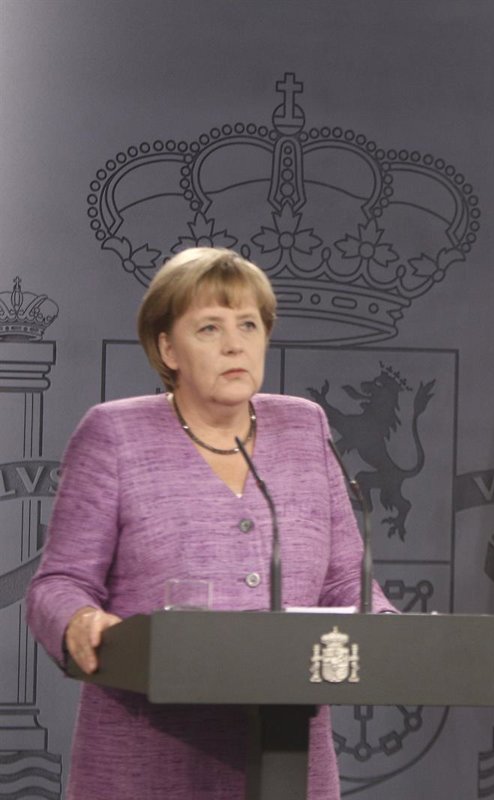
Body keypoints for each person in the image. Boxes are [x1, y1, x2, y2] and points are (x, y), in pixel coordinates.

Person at [25, 247, 394, 799]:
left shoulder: (304, 426)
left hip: (289, 761)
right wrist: (78, 620)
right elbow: (59, 582)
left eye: (248, 324)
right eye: (209, 328)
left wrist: (386, 630)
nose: (234, 344)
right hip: (147, 760)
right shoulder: (114, 434)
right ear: (167, 348)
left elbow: (345, 579)